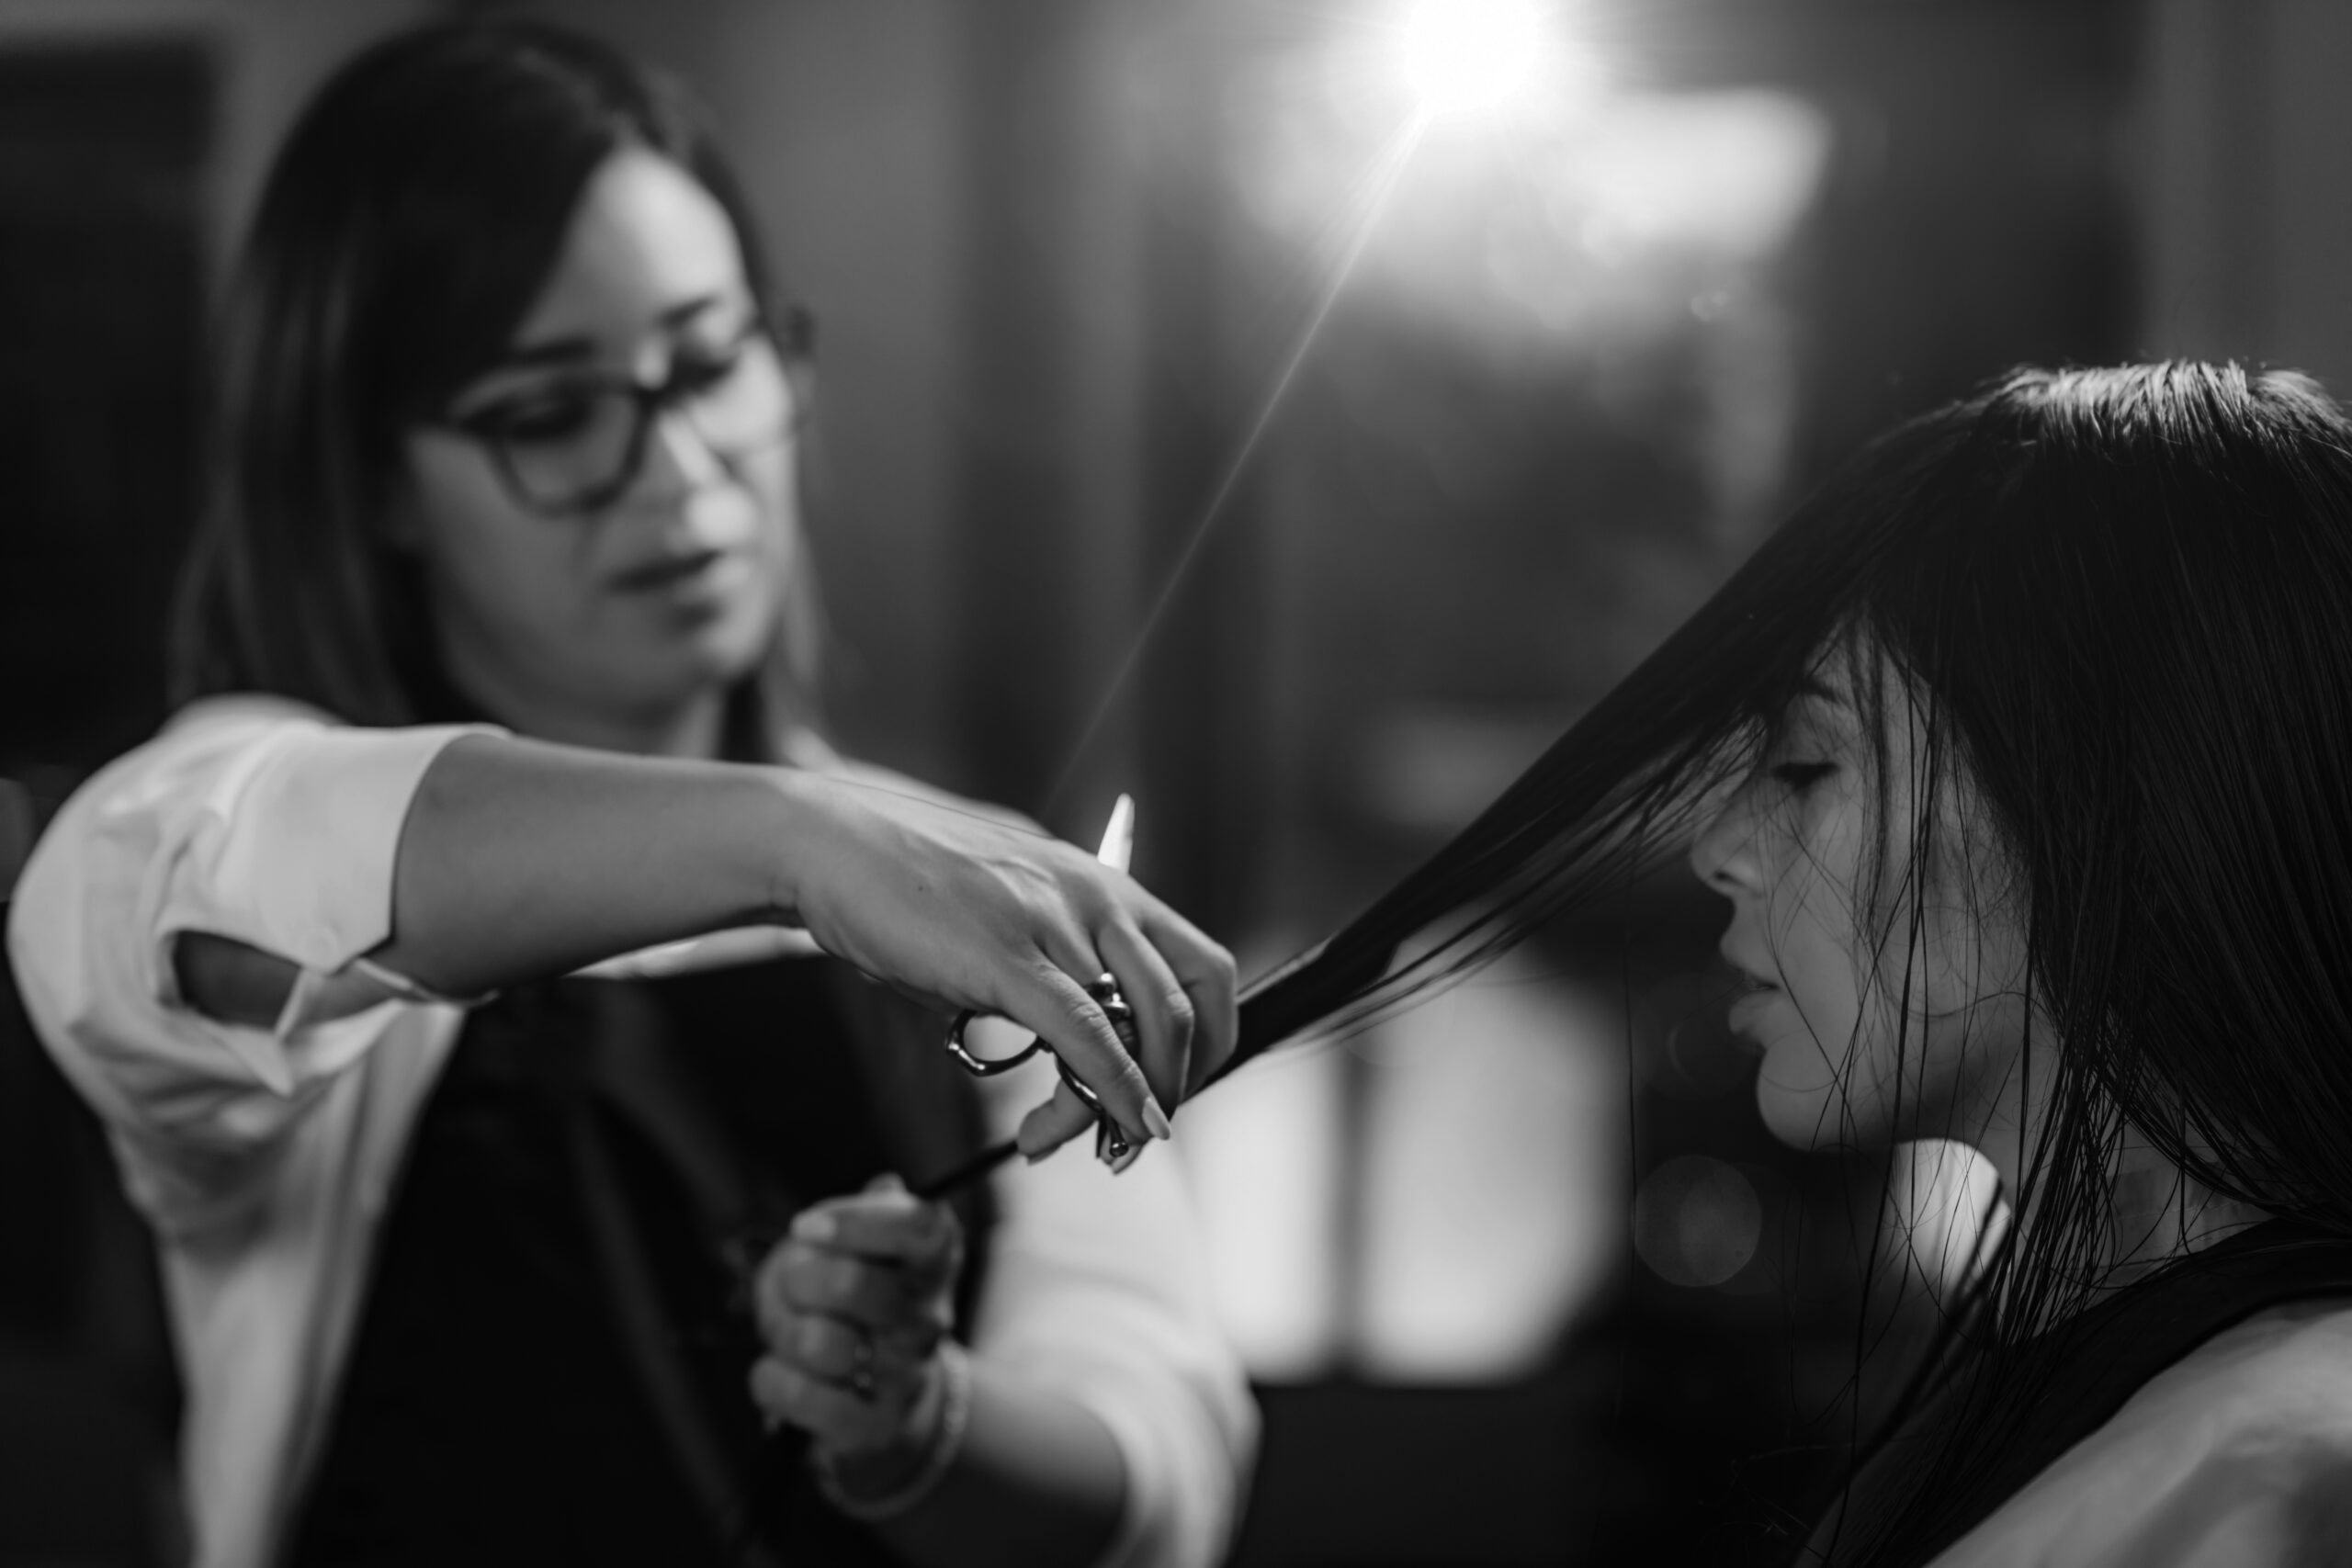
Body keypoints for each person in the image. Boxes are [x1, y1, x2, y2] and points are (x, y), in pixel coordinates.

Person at [5, 20, 1250, 1568]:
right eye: (550, 413)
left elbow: (1155, 1475)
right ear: (375, 480)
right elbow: (130, 894)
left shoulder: (974, 892)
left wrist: (917, 1425)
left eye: (711, 363)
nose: (677, 472)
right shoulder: (268, 826)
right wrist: (794, 839)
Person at [1227, 361, 2352, 1565]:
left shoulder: (2266, 1487)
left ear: (2107, 807)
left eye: (1809, 765)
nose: (1719, 850)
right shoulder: (2175, 1423)